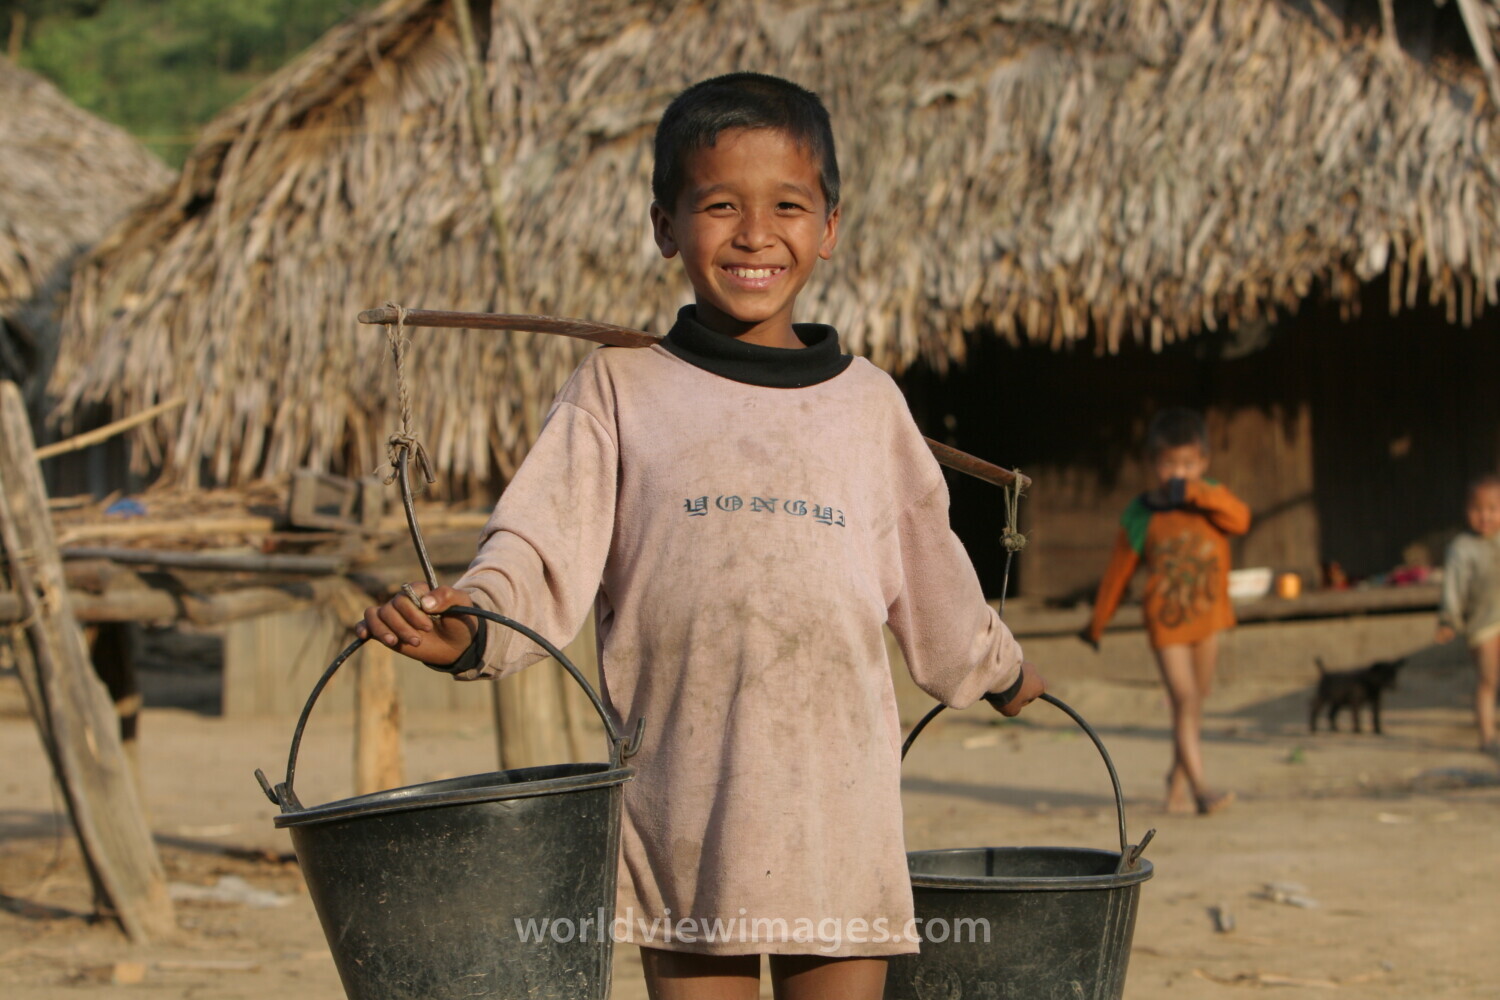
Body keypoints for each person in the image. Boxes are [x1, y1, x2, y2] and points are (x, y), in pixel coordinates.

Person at [357, 72, 1045, 1000]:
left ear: (830, 226)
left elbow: (935, 585)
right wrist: (473, 624)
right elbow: (537, 545)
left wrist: (1000, 670)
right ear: (665, 227)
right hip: (680, 807)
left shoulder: (869, 406)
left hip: (836, 805)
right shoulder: (621, 389)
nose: (756, 234)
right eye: (720, 205)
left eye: (787, 206)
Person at [1079, 408, 1249, 815]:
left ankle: (1175, 781)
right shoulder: (1141, 513)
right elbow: (1118, 572)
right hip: (1166, 621)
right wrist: (1098, 623)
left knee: (1195, 701)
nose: (1179, 473)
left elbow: (1240, 520)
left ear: (1203, 462)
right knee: (1184, 698)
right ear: (1154, 464)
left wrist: (1198, 493)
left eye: (1189, 464)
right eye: (1170, 463)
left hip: (1208, 617)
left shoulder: (1212, 498)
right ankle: (1202, 788)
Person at [1434, 473, 1500, 757]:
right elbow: (1453, 588)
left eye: (1493, 509)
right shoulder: (1461, 549)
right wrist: (1449, 620)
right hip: (1481, 625)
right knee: (1488, 680)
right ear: (1467, 512)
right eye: (1477, 510)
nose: (1485, 517)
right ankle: (1487, 736)